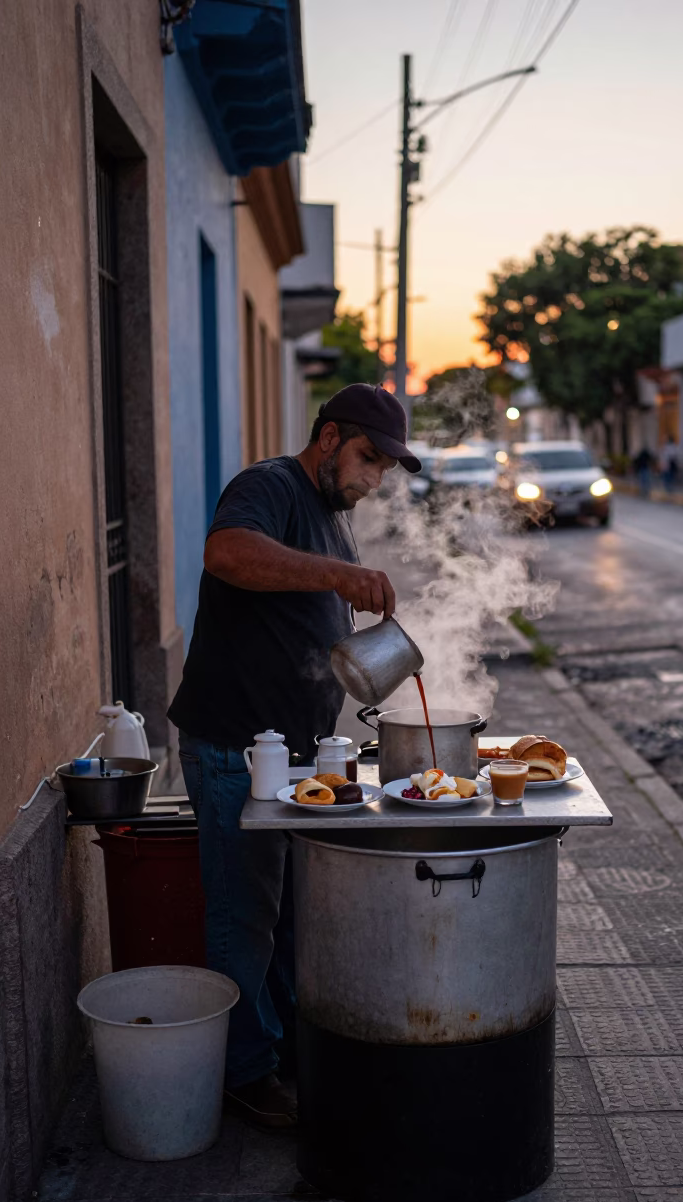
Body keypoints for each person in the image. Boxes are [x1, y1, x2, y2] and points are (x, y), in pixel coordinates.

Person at [168, 384, 421, 1130]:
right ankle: (245, 1074)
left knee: (289, 917)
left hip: (299, 755)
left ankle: (283, 1053)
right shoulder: (268, 486)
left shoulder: (335, 520)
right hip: (233, 746)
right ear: (330, 435)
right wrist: (340, 578)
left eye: (384, 468)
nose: (373, 478)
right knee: (243, 915)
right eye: (367, 457)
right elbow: (228, 554)